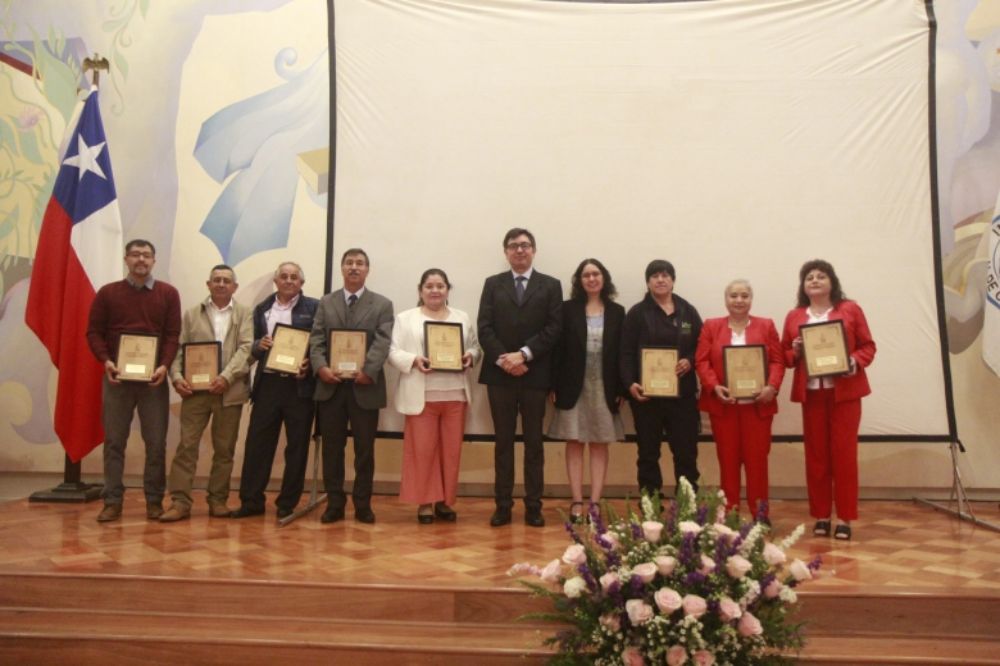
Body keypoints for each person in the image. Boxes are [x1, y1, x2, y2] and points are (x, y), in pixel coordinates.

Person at [86, 239, 181, 522]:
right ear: (126, 259)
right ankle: (112, 500)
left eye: (147, 255)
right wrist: (107, 361)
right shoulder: (108, 293)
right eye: (136, 254)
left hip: (153, 381)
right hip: (118, 380)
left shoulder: (168, 293)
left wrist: (164, 366)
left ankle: (154, 500)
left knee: (156, 443)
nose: (141, 259)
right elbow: (93, 332)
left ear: (154, 260)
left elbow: (173, 335)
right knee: (114, 442)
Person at [781, 259, 875, 541]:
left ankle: (845, 517)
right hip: (812, 394)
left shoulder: (850, 309)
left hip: (844, 394)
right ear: (803, 286)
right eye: (809, 277)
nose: (815, 280)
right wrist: (795, 351)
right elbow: (784, 356)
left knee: (844, 457)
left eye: (821, 276)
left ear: (832, 282)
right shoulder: (795, 316)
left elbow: (868, 346)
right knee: (817, 457)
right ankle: (821, 515)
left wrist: (852, 360)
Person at [478, 228, 562, 527]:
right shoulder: (493, 284)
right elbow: (484, 327)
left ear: (534, 250)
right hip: (500, 375)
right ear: (506, 252)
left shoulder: (551, 285)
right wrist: (506, 359)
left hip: (535, 374)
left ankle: (533, 506)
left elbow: (554, 328)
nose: (520, 250)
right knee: (502, 442)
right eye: (514, 246)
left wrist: (523, 355)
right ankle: (502, 505)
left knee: (534, 443)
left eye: (525, 245)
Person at [160, 265, 253, 522]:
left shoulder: (245, 314)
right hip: (195, 393)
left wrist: (226, 376)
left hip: (229, 391)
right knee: (187, 447)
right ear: (208, 284)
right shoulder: (191, 314)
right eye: (216, 280)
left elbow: (246, 349)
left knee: (224, 450)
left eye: (227, 281)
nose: (221, 284)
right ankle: (180, 502)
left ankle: (218, 500)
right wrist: (177, 378)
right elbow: (177, 349)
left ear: (234, 286)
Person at [387, 269, 481, 523]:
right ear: (420, 290)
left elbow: (475, 346)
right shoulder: (405, 318)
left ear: (448, 290)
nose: (435, 290)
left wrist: (470, 356)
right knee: (423, 452)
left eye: (440, 286)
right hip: (422, 395)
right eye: (429, 286)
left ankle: (444, 502)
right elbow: (392, 351)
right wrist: (414, 360)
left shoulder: (462, 317)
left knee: (450, 452)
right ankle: (425, 503)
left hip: (455, 395)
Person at [310, 248, 393, 524]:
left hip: (365, 387)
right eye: (349, 263)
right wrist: (320, 367)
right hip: (330, 387)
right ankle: (334, 502)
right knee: (332, 448)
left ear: (367, 270)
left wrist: (368, 371)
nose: (354, 267)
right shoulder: (326, 302)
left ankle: (362, 504)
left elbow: (383, 340)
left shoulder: (382, 304)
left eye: (360, 263)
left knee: (364, 450)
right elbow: (316, 339)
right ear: (342, 269)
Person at [231, 261, 318, 520]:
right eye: (284, 276)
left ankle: (287, 503)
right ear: (276, 281)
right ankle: (251, 501)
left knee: (297, 446)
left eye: (294, 277)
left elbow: (320, 344)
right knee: (258, 444)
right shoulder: (262, 309)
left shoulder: (315, 308)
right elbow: (251, 347)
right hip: (268, 384)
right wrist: (260, 345)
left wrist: (310, 365)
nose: (289, 280)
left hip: (299, 386)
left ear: (301, 283)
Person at [695, 279, 784, 521]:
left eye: (744, 296)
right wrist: (714, 387)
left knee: (758, 464)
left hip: (757, 408)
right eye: (734, 295)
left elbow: (777, 361)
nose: (739, 300)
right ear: (726, 300)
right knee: (728, 463)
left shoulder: (766, 326)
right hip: (725, 408)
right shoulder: (711, 326)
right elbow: (701, 361)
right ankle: (730, 515)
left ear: (751, 299)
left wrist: (772, 387)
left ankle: (760, 516)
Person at [548, 259, 625, 520]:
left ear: (604, 278)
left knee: (600, 442)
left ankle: (595, 502)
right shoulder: (567, 309)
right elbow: (557, 349)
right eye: (586, 275)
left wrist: (622, 388)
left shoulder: (617, 311)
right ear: (579, 281)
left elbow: (622, 354)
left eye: (596, 274)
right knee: (574, 440)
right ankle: (577, 500)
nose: (591, 278)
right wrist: (553, 385)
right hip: (572, 384)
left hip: (605, 385)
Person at [620, 260, 702, 498]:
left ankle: (687, 504)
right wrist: (629, 384)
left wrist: (690, 360)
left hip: (682, 397)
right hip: (647, 397)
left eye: (666, 275)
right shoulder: (637, 313)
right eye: (655, 276)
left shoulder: (688, 311)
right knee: (648, 454)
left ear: (673, 280)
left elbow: (702, 344)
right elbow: (625, 353)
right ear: (648, 282)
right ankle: (651, 504)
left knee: (686, 453)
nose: (661, 279)